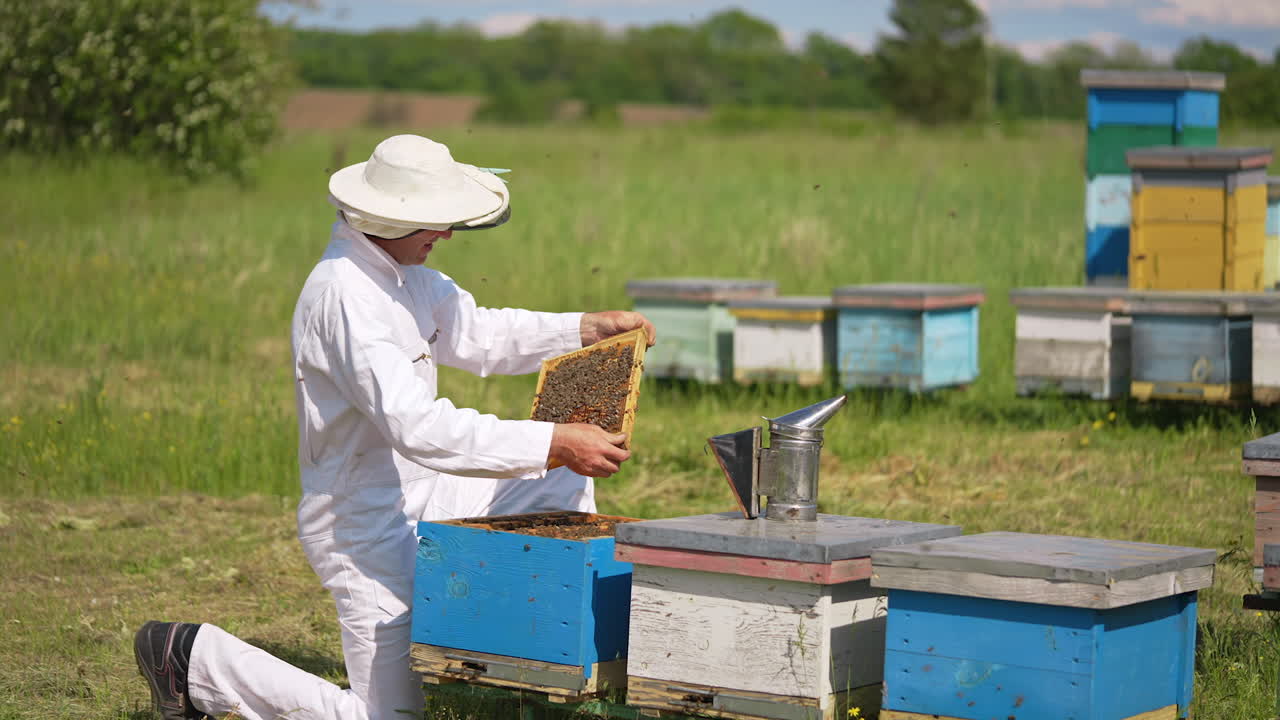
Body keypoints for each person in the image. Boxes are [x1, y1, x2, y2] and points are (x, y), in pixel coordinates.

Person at [134, 134, 655, 720]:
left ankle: (522, 647)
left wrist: (584, 328)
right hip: (364, 522)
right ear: (385, 217)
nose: (447, 234)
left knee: (554, 485)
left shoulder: (406, 273)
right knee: (389, 717)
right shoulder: (345, 298)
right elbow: (419, 427)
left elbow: (478, 333)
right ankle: (192, 657)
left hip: (428, 490)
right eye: (433, 221)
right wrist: (553, 439)